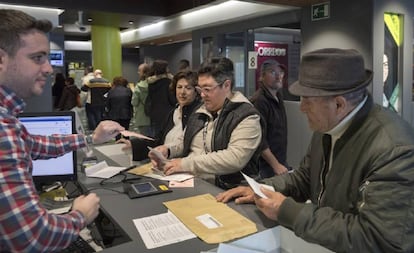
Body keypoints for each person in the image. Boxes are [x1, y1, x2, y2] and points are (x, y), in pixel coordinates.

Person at [216, 48, 414, 252]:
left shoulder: (394, 149)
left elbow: (378, 239)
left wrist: (288, 211)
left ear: (339, 104)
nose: (302, 109)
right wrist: (264, 189)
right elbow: (305, 177)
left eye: (308, 101)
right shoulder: (328, 126)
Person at [0, 9, 125, 252]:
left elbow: (34, 145)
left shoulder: (9, 123)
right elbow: (33, 238)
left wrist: (91, 138)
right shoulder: (3, 129)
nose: (48, 69)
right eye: (38, 58)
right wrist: (81, 215)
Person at [149, 57, 262, 189]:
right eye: (200, 89)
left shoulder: (246, 116)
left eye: (207, 89)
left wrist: (184, 164)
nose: (202, 95)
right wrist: (168, 150)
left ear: (226, 85)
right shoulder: (201, 110)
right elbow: (185, 140)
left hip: (227, 189)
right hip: (192, 183)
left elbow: (234, 158)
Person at [121, 70, 201, 161]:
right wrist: (133, 144)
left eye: (188, 88)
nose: (182, 92)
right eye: (179, 87)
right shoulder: (173, 112)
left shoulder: (198, 115)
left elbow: (187, 145)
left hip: (182, 165)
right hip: (165, 162)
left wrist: (168, 150)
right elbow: (158, 141)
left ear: (196, 91)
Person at [250, 59, 288, 178]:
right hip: (265, 167)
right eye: (272, 72)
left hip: (279, 161)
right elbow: (259, 139)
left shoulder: (278, 97)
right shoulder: (260, 101)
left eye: (280, 73)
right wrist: (275, 165)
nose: (278, 77)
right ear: (262, 77)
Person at [145, 59, 176, 135]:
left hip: (154, 113)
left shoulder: (151, 83)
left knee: (156, 136)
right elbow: (172, 99)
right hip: (168, 113)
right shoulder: (168, 82)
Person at [131, 63, 152, 136]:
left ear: (144, 73)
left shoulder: (139, 86)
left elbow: (134, 102)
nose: (138, 72)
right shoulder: (155, 85)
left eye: (139, 71)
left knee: (144, 139)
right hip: (154, 117)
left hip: (142, 117)